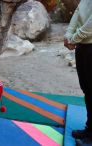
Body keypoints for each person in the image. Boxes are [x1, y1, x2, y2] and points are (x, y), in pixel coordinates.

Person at [64, 0, 92, 145]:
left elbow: (90, 26)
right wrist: (69, 35)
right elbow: (77, 12)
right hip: (83, 46)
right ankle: (90, 128)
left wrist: (73, 38)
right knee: (87, 89)